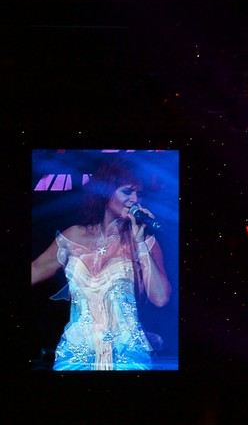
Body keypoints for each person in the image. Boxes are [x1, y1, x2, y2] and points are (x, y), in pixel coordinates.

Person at [31, 156, 171, 371]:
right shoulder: (73, 237)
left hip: (127, 357)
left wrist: (140, 243)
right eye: (127, 191)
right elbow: (34, 270)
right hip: (75, 356)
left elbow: (160, 298)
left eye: (139, 194)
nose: (135, 199)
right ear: (106, 192)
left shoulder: (146, 243)